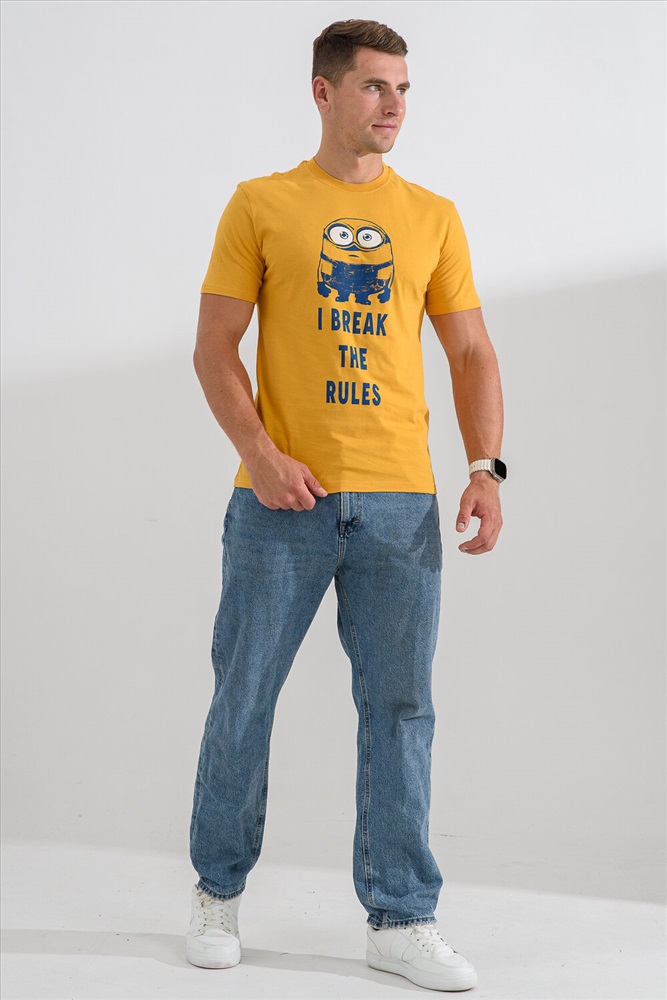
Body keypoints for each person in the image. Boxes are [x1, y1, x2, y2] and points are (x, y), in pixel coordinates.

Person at [186, 18, 505, 993]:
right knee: (244, 696)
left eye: (403, 88)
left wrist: (487, 468)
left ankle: (400, 917)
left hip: (401, 507)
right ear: (323, 92)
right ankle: (216, 891)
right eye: (373, 86)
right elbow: (213, 346)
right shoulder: (262, 204)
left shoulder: (432, 215)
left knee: (401, 709)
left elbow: (469, 351)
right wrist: (260, 455)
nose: (393, 105)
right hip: (279, 503)